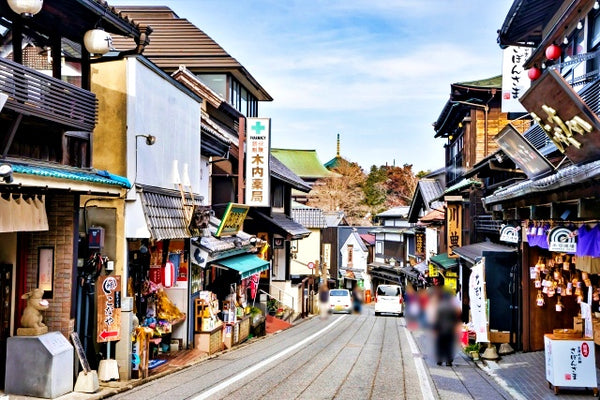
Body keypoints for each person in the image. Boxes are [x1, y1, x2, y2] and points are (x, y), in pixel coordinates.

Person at [432, 288, 461, 366]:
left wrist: (435, 329)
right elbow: (456, 319)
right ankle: (448, 361)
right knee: (449, 345)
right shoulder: (452, 307)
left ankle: (439, 359)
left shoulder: (439, 306)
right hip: (450, 329)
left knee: (440, 345)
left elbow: (437, 319)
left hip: (440, 329)